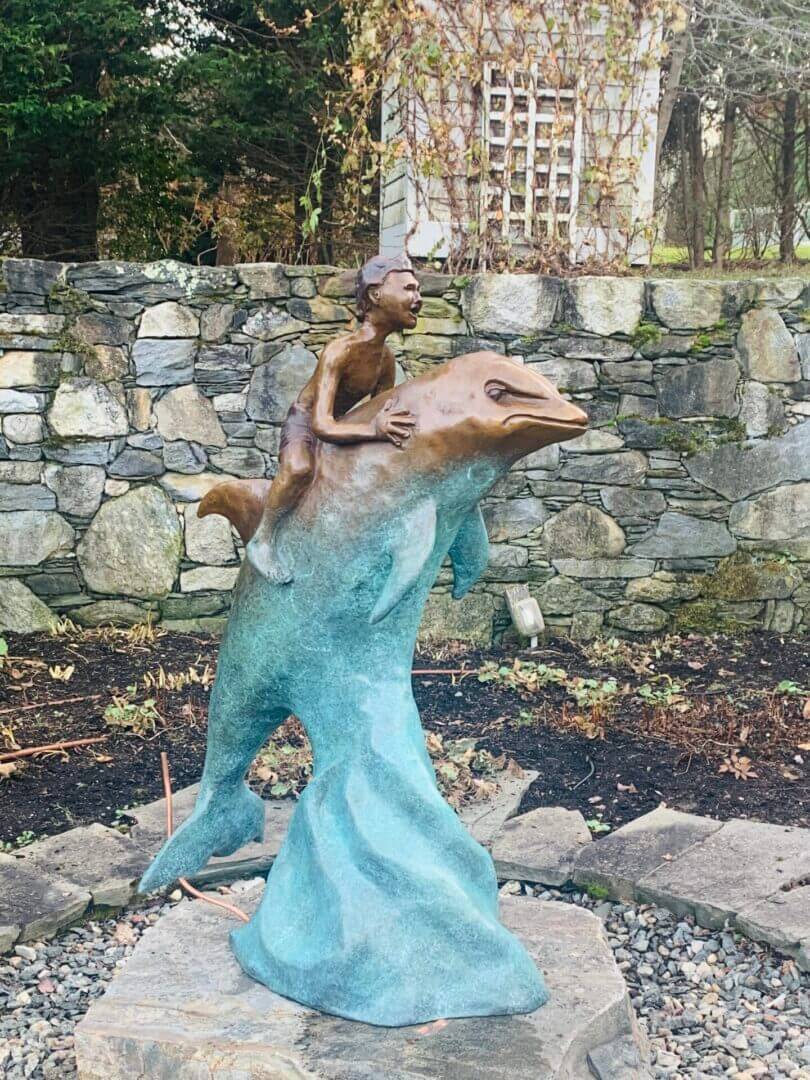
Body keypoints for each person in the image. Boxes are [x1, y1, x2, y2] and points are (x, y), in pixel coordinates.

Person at [246, 252, 422, 581]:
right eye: (409, 289)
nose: (418, 298)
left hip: (344, 425)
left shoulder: (386, 361)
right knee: (299, 468)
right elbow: (322, 424)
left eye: (418, 290)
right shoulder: (339, 351)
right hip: (306, 421)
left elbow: (380, 414)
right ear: (376, 294)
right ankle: (263, 539)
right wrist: (374, 430)